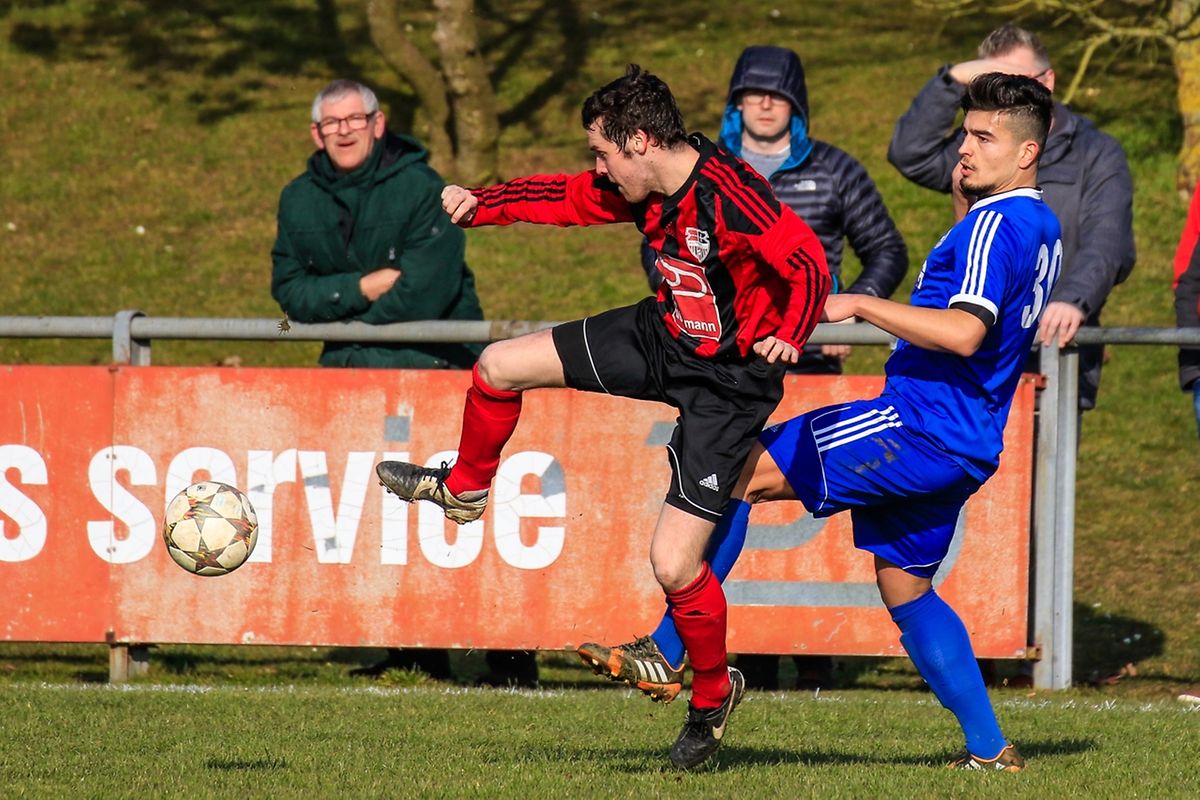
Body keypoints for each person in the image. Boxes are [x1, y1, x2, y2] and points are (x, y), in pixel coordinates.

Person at [580, 72, 1061, 772]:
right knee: (906, 586)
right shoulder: (1041, 221)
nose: (965, 148)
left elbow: (962, 333)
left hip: (920, 423)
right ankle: (991, 751)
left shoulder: (995, 224)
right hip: (969, 439)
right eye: (965, 133)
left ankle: (667, 648)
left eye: (984, 137)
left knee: (737, 471)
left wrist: (859, 304)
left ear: (1026, 153)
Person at [375, 65, 831, 769]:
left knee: (674, 565)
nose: (599, 166)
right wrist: (482, 202)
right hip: (661, 337)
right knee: (498, 366)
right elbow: (564, 196)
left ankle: (710, 700)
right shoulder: (642, 186)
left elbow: (806, 262)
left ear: (642, 141)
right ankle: (463, 489)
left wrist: (790, 332)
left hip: (731, 386)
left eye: (603, 152)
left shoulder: (731, 196)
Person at [271, 78, 535, 687]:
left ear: (378, 123)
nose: (342, 130)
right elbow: (288, 293)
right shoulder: (297, 199)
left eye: (354, 119)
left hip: (434, 373)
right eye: (329, 122)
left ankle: (511, 654)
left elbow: (428, 290)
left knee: (464, 511)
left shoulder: (423, 188)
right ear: (315, 133)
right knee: (379, 519)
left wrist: (337, 315)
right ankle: (409, 649)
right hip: (348, 382)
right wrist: (359, 289)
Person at [715, 44, 910, 690]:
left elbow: (885, 247)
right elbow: (664, 249)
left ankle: (819, 657)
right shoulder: (709, 172)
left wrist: (855, 313)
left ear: (796, 105)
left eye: (779, 95)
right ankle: (750, 649)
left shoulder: (836, 171)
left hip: (814, 362)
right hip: (732, 365)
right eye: (753, 93)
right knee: (730, 499)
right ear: (735, 102)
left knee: (807, 506)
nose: (765, 103)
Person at [887, 23, 1135, 412]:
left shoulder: (1096, 153)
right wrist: (953, 79)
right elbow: (910, 154)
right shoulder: (978, 146)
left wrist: (1072, 300)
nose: (1006, 94)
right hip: (972, 357)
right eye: (992, 80)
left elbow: (1109, 241)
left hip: (1051, 342)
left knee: (1044, 466)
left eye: (1015, 80)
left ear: (1048, 80)